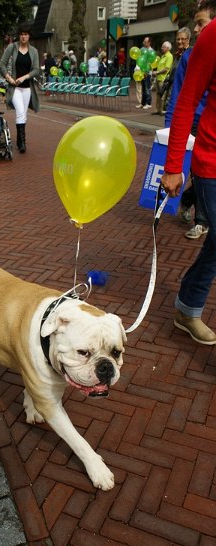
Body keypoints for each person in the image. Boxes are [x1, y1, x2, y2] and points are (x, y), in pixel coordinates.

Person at [160, 6, 216, 345]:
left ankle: (187, 306)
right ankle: (189, 307)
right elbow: (184, 101)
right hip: (211, 156)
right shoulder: (212, 36)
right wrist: (172, 165)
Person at [165, 5, 214, 239]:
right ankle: (201, 220)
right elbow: (181, 99)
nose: (195, 30)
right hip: (197, 125)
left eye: (200, 23)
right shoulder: (191, 55)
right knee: (199, 173)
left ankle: (188, 200)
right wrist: (168, 127)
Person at [0, 23, 40, 154]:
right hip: (15, 88)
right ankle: (22, 142)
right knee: (20, 111)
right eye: (22, 34)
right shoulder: (12, 47)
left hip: (27, 88)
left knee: (24, 115)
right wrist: (9, 78)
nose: (24, 37)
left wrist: (25, 77)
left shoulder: (34, 51)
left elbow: (36, 69)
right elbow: (2, 65)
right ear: (19, 35)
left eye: (26, 34)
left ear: (29, 36)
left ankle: (19, 140)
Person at [161, 27, 191, 110]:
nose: (179, 41)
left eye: (183, 39)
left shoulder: (190, 54)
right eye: (178, 39)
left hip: (182, 96)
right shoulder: (177, 55)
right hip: (172, 94)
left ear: (188, 40)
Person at [152, 41, 173, 115]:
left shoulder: (169, 56)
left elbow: (166, 69)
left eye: (163, 47)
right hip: (158, 78)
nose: (161, 48)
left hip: (163, 79)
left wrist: (157, 72)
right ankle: (157, 110)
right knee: (158, 94)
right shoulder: (163, 56)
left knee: (162, 95)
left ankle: (162, 110)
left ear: (167, 48)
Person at [139, 36, 153, 109]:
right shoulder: (142, 50)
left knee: (147, 87)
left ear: (149, 42)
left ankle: (148, 103)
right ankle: (143, 103)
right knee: (143, 87)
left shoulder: (151, 51)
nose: (144, 43)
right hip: (142, 71)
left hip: (147, 72)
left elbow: (151, 62)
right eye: (143, 41)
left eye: (145, 42)